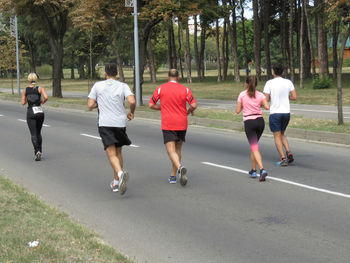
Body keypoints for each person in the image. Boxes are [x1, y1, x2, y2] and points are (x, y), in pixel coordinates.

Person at [88, 63, 136, 195]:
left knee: (111, 153)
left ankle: (120, 174)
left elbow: (90, 104)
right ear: (117, 73)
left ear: (105, 74)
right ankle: (116, 183)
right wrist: (131, 112)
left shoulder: (98, 85)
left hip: (105, 123)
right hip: (120, 123)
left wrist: (99, 102)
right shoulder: (123, 86)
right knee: (119, 152)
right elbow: (132, 101)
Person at [149, 69, 197, 185]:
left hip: (168, 123)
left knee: (171, 150)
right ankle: (173, 175)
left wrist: (162, 107)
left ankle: (180, 168)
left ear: (168, 76)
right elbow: (194, 105)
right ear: (178, 77)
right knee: (178, 149)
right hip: (182, 123)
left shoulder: (160, 89)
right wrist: (188, 111)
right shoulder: (185, 89)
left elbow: (151, 104)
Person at [236, 76, 270, 181]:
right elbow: (267, 107)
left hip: (249, 122)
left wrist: (243, 106)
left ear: (246, 84)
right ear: (256, 84)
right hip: (260, 122)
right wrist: (259, 104)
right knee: (253, 147)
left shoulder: (242, 94)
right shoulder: (260, 95)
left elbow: (237, 111)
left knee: (254, 147)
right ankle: (253, 170)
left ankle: (262, 169)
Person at [263, 63, 297, 166]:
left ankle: (283, 158)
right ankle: (288, 151)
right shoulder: (288, 82)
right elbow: (294, 97)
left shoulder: (269, 83)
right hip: (286, 113)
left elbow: (267, 99)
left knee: (277, 136)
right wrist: (287, 97)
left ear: (273, 72)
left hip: (275, 113)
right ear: (282, 72)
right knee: (282, 134)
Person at [21, 73, 48, 161]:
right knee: (38, 132)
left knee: (33, 133)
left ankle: (37, 151)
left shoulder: (25, 90)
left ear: (28, 80)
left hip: (31, 112)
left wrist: (26, 100)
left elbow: (23, 103)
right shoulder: (40, 89)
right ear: (36, 80)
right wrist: (42, 101)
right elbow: (46, 97)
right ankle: (40, 150)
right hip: (40, 112)